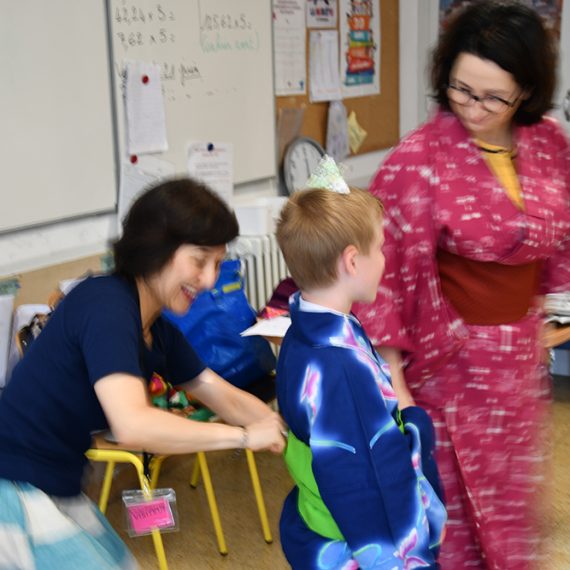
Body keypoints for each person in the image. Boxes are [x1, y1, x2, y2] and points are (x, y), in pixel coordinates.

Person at [353, 2, 570, 568]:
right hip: (449, 361)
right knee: (450, 511)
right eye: (461, 90)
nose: (474, 108)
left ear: (527, 91)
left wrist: (544, 317)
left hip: (518, 361)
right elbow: (385, 277)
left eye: (494, 98)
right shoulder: (418, 157)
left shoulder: (548, 143)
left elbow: (558, 235)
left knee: (511, 504)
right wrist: (396, 382)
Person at [0, 178, 286, 569]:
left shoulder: (157, 330)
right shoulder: (105, 304)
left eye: (217, 264)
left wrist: (281, 425)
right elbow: (133, 424)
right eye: (199, 260)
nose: (209, 280)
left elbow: (219, 393)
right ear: (156, 248)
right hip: (13, 486)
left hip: (52, 483)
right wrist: (243, 436)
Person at [275, 157, 447, 570]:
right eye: (380, 248)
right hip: (352, 539)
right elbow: (369, 480)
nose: (385, 259)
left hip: (316, 514)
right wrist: (415, 427)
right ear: (352, 261)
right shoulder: (340, 367)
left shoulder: (301, 333)